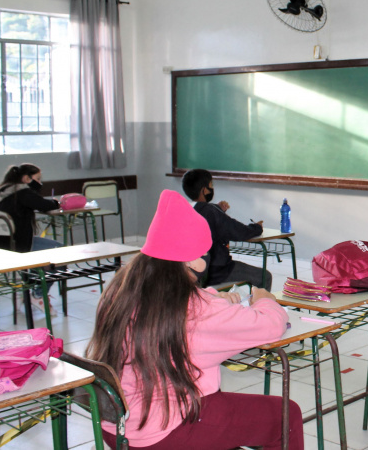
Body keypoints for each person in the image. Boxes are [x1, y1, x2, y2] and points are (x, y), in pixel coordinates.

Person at [87, 189, 302, 450]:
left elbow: (191, 312)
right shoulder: (198, 308)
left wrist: (217, 299)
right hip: (166, 431)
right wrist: (265, 299)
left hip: (116, 425)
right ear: (195, 260)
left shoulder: (121, 290)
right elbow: (271, 325)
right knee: (286, 415)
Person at [0, 163, 63, 313]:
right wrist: (56, 202)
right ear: (26, 178)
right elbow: (46, 205)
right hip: (19, 246)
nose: (40, 183)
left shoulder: (0, 191)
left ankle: (29, 288)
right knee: (60, 252)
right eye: (38, 179)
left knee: (47, 253)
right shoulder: (22, 193)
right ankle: (38, 294)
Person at [181, 169, 272, 290]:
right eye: (211, 185)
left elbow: (206, 215)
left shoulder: (184, 209)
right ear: (204, 190)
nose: (212, 188)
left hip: (188, 270)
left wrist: (218, 209)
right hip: (216, 271)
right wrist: (257, 227)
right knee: (265, 276)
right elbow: (239, 231)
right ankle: (261, 308)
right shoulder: (211, 212)